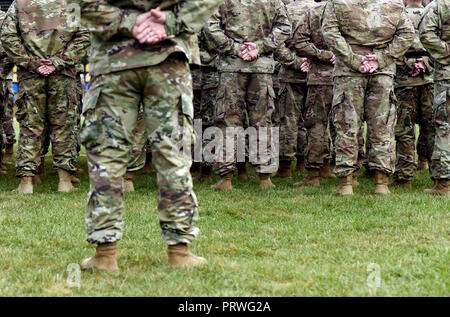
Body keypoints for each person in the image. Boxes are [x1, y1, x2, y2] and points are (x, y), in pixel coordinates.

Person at [78, 0, 222, 271]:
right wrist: (167, 21)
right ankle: (179, 251)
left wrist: (129, 22)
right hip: (168, 58)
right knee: (173, 155)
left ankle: (105, 254)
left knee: (107, 157)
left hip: (113, 60)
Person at [322, 0, 415, 195]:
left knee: (347, 126)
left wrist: (353, 59)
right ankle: (381, 183)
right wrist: (382, 59)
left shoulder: (337, 3)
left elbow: (330, 32)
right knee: (382, 126)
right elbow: (407, 34)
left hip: (348, 73)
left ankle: (346, 183)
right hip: (382, 73)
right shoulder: (394, 3)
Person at [1, 0, 90, 194]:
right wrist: (58, 62)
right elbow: (84, 36)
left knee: (30, 125)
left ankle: (26, 183)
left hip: (30, 75)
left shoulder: (19, 3)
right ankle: (64, 181)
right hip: (63, 75)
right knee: (63, 124)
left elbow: (7, 37)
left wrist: (31, 62)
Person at [204, 0, 292, 190]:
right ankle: (265, 178)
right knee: (263, 121)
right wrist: (260, 47)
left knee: (228, 120)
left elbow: (210, 27)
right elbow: (284, 27)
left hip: (231, 68)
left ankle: (225, 178)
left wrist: (235, 49)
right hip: (261, 68)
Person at [391, 0, 435, 188]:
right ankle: (438, 173)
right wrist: (426, 62)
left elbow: (391, 45)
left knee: (404, 129)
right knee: (432, 127)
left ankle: (404, 176)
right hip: (429, 79)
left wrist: (408, 64)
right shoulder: (431, 14)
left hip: (404, 82)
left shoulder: (397, 15)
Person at [293, 0, 336, 186]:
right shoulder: (349, 9)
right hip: (348, 75)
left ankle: (313, 175)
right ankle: (348, 175)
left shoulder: (313, 12)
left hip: (319, 76)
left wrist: (322, 55)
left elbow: (299, 42)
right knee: (348, 125)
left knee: (316, 124)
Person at [273, 0, 315, 179]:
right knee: (316, 121)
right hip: (318, 73)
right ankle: (311, 164)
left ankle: (285, 168)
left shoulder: (286, 11)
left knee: (288, 120)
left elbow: (276, 43)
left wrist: (295, 62)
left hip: (291, 74)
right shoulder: (321, 10)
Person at [419, 0, 450, 196]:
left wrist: (446, 51)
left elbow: (425, 34)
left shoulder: (440, 5)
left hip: (447, 75)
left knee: (445, 126)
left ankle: (444, 184)